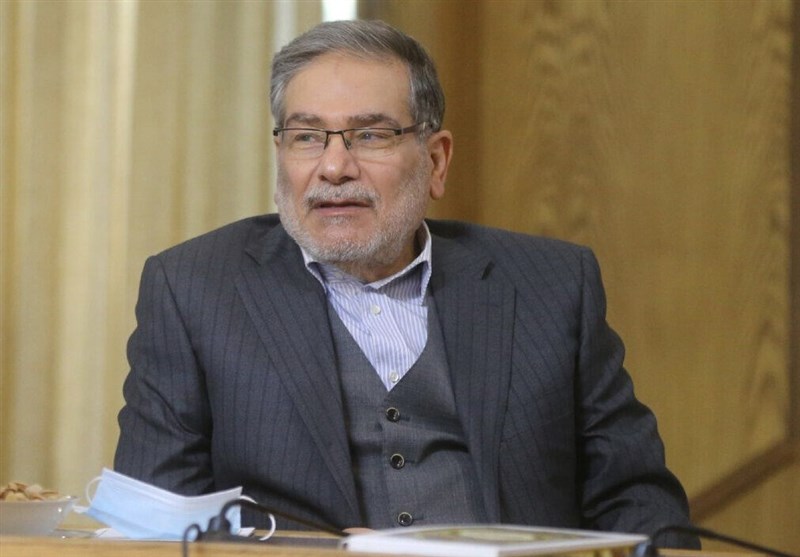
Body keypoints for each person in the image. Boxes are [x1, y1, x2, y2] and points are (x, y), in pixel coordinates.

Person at [115, 19, 698, 548]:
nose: (333, 167)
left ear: (436, 161)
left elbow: (642, 506)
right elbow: (152, 531)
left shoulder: (551, 286)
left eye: (371, 136)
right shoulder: (193, 289)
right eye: (306, 136)